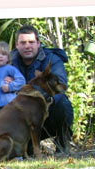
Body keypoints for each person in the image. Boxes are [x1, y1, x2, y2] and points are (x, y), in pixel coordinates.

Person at [11, 24, 73, 153]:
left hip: (47, 112)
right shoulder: (8, 61)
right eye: (23, 42)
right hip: (21, 117)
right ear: (17, 45)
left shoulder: (52, 59)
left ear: (38, 43)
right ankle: (26, 146)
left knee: (62, 102)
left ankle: (63, 143)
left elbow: (59, 86)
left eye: (31, 42)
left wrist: (26, 92)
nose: (27, 46)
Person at [0, 42, 25, 119]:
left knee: (14, 125)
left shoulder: (9, 68)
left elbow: (22, 81)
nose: (0, 56)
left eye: (3, 54)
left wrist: (10, 87)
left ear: (8, 58)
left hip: (11, 105)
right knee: (0, 128)